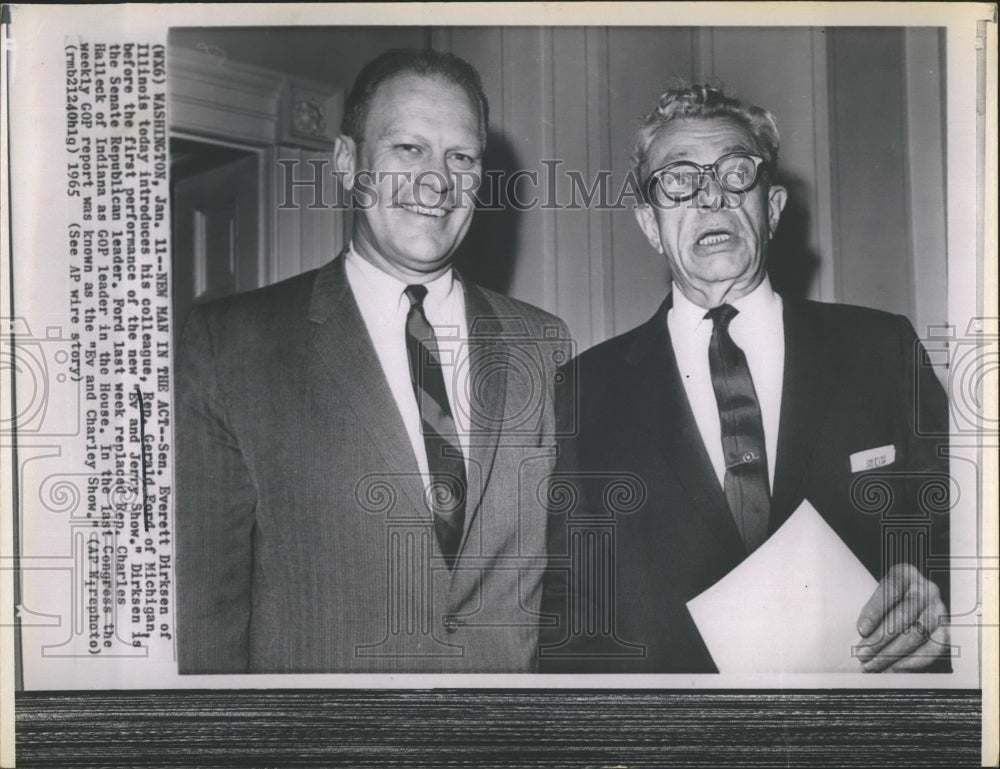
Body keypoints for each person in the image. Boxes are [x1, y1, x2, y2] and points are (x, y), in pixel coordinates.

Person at [176, 49, 570, 674]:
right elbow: (204, 615)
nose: (437, 180)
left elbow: (566, 574)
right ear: (347, 163)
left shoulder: (542, 344)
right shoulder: (231, 346)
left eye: (461, 157)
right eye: (408, 148)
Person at [540, 84, 950, 674]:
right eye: (678, 181)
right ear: (650, 226)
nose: (710, 198)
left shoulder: (882, 348)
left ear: (773, 208)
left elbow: (964, 529)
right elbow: (563, 611)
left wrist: (938, 599)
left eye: (736, 173)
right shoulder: (580, 393)